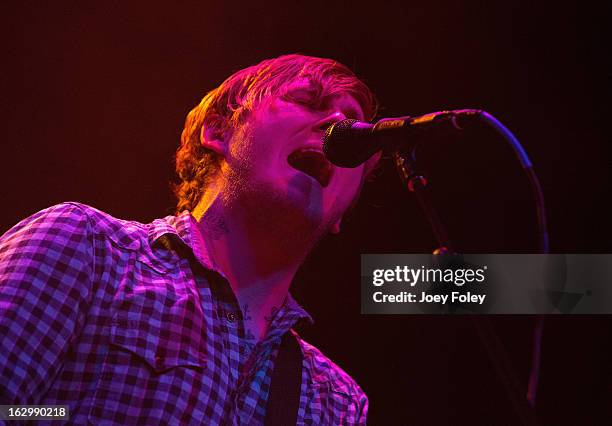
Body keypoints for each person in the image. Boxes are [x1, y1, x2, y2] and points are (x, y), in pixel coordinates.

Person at [0, 54, 379, 425]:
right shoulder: (87, 248)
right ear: (218, 131)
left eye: (355, 128)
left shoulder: (336, 400)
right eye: (308, 101)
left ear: (343, 211)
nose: (338, 123)